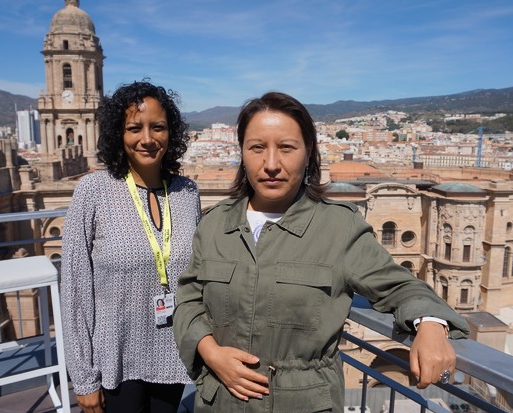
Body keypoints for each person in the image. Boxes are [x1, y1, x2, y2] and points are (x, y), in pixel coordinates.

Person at [173, 91, 470, 412]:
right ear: (242, 153)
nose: (271, 164)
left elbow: (401, 286)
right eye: (257, 147)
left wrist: (430, 325)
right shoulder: (216, 223)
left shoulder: (338, 228)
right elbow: (188, 302)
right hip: (220, 401)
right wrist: (210, 352)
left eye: (286, 148)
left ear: (308, 152)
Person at [61, 81, 200, 413]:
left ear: (172, 133)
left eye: (158, 127)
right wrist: (83, 379)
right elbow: (75, 289)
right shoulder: (93, 191)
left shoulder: (186, 193)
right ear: (118, 135)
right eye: (134, 128)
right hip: (114, 361)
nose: (147, 139)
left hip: (172, 355)